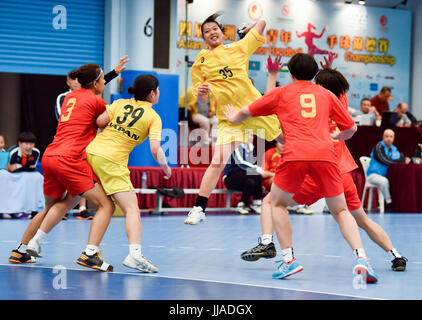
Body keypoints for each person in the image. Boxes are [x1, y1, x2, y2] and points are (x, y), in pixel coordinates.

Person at [225, 53, 378, 283]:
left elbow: (249, 110)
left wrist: (234, 117)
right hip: (326, 156)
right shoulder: (326, 94)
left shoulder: (282, 92)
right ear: (316, 73)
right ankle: (362, 259)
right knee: (341, 211)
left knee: (276, 203)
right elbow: (351, 127)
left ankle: (289, 260)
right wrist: (339, 135)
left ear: (292, 73)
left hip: (296, 154)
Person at [291, 68, 407, 271]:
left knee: (274, 204)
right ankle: (395, 255)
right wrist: (330, 70)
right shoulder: (340, 108)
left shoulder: (314, 114)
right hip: (343, 175)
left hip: (320, 175)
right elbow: (339, 90)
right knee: (361, 219)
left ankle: (283, 255)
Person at [9, 63, 115, 270]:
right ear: (95, 82)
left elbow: (91, 91)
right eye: (103, 79)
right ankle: (90, 254)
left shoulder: (70, 97)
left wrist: (113, 73)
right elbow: (104, 121)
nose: (104, 82)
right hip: (71, 158)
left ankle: (21, 250)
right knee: (106, 205)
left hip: (51, 156)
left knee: (61, 203)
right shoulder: (97, 101)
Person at [184, 13, 282, 225]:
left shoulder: (239, 47)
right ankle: (199, 207)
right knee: (218, 160)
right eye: (206, 31)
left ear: (222, 32)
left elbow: (263, 23)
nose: (211, 33)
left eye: (215, 29)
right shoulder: (201, 60)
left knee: (285, 139)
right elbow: (200, 97)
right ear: (203, 38)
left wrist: (247, 29)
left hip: (254, 108)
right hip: (229, 116)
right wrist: (201, 92)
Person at [84, 74, 172, 273]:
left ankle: (32, 243)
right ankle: (134, 254)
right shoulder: (153, 117)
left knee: (73, 201)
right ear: (152, 93)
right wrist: (166, 168)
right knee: (132, 209)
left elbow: (99, 122)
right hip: (112, 162)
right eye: (157, 90)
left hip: (91, 153)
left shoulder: (120, 103)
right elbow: (155, 149)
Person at [55, 56, 129, 220]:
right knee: (103, 203)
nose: (75, 82)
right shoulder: (67, 98)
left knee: (81, 181)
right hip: (66, 145)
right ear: (69, 82)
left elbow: (96, 85)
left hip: (78, 148)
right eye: (72, 79)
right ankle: (90, 245)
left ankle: (80, 209)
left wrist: (114, 73)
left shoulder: (86, 96)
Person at [223, 133, 270, 215]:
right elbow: (241, 163)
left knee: (251, 182)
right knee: (255, 173)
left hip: (243, 177)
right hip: (231, 177)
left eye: (252, 136)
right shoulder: (236, 146)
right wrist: (258, 169)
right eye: (248, 135)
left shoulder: (250, 148)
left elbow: (250, 167)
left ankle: (246, 204)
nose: (251, 138)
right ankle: (255, 201)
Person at [366, 128, 411, 212]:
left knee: (397, 181)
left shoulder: (394, 148)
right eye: (387, 136)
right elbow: (384, 160)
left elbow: (400, 158)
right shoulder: (378, 146)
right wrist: (400, 160)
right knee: (384, 181)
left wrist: (405, 159)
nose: (389, 138)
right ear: (383, 137)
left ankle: (400, 204)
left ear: (394, 138)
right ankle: (389, 203)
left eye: (391, 136)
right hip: (373, 175)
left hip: (386, 175)